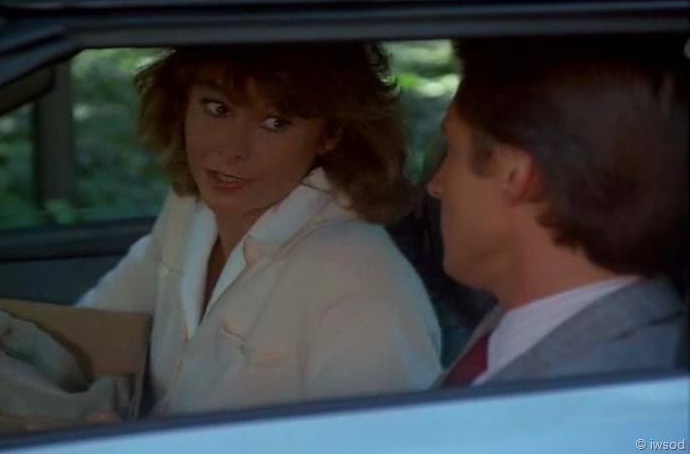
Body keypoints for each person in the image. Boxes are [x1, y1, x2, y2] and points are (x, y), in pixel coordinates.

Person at [79, 43, 442, 413]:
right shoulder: (189, 210)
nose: (233, 149)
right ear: (182, 104)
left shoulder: (363, 283)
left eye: (275, 123)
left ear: (330, 134)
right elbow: (92, 331)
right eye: (217, 109)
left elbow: (387, 438)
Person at [427, 37, 687, 386]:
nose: (436, 185)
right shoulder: (524, 326)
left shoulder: (611, 391)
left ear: (515, 173)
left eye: (453, 151)